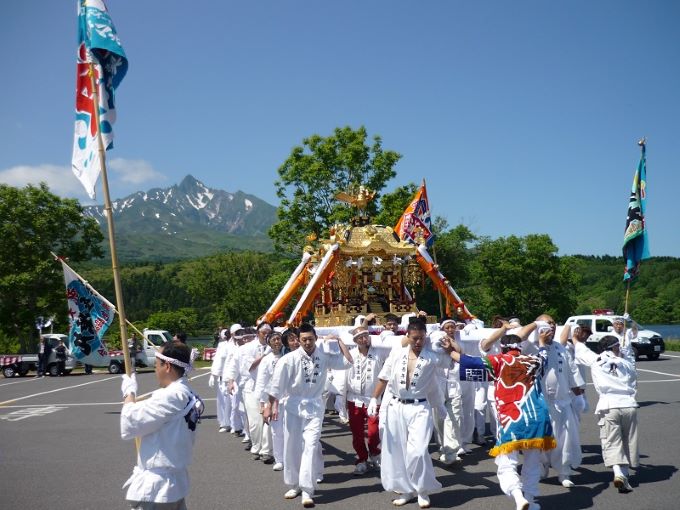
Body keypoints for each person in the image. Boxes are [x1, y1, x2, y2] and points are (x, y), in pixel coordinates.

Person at [453, 322, 556, 510]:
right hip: (538, 419)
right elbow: (544, 354)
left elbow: (468, 362)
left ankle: (518, 497)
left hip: (512, 420)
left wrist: (449, 349)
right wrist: (541, 341)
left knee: (506, 463)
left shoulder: (499, 360)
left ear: (503, 347)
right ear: (520, 347)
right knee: (532, 462)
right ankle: (531, 499)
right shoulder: (534, 361)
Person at [263, 323, 353, 508]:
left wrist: (340, 340)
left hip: (315, 406)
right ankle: (294, 484)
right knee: (292, 447)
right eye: (303, 339)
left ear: (316, 339)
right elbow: (276, 386)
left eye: (310, 339)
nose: (307, 342)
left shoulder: (324, 356)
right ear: (298, 340)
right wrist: (269, 406)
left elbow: (348, 362)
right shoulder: (288, 359)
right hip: (294, 406)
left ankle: (307, 489)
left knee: (311, 446)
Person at [369, 318, 455, 509]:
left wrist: (449, 345)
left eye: (422, 338)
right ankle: (406, 490)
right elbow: (383, 378)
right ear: (407, 336)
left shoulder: (432, 357)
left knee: (417, 451)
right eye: (415, 338)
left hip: (419, 408)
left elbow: (454, 360)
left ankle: (422, 490)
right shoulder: (397, 354)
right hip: (397, 407)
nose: (418, 342)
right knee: (398, 450)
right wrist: (374, 399)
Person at [120, 341, 204, 510]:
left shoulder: (172, 396)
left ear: (167, 366)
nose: (154, 369)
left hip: (158, 486)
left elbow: (130, 421)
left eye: (156, 364)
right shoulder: (187, 392)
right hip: (172, 481)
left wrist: (129, 393)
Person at [521, 315, 583, 488]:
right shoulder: (529, 346)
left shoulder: (559, 347)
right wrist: (535, 325)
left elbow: (571, 370)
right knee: (540, 438)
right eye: (547, 323)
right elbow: (519, 336)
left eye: (554, 324)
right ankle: (542, 467)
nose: (552, 326)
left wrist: (578, 393)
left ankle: (564, 472)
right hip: (539, 402)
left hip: (561, 401)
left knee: (564, 439)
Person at [573, 334, 639, 493]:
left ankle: (618, 473)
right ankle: (625, 475)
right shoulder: (626, 363)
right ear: (615, 347)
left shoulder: (596, 361)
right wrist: (626, 351)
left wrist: (575, 339)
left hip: (608, 405)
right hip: (628, 404)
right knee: (627, 441)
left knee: (611, 440)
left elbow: (581, 351)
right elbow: (634, 375)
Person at [344, 325, 387, 475]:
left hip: (373, 398)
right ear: (355, 340)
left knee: (374, 431)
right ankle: (361, 459)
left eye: (365, 336)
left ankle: (375, 454)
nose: (364, 339)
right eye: (360, 337)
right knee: (357, 432)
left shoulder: (379, 352)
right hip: (354, 398)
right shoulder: (350, 354)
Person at [254, 330, 285, 467]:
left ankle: (289, 458)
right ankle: (279, 459)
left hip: (289, 397)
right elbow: (261, 381)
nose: (277, 342)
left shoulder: (288, 356)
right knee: (276, 430)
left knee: (290, 430)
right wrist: (263, 402)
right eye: (274, 340)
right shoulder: (266, 360)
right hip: (273, 399)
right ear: (269, 343)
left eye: (279, 339)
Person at [209, 326, 235, 433]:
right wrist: (213, 374)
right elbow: (218, 361)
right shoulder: (222, 345)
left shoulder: (237, 345)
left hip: (234, 376)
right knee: (223, 401)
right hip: (223, 376)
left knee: (234, 402)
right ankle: (225, 422)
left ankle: (235, 424)